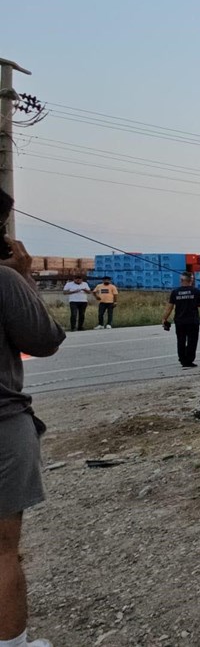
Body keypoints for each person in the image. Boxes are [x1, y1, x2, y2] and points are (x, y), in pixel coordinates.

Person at [1, 187, 66, 647]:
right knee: (3, 550)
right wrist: (21, 278)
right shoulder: (3, 281)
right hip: (2, 426)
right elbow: (44, 340)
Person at [162, 272, 200, 368]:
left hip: (180, 321)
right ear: (192, 280)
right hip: (193, 321)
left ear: (181, 280)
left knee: (180, 341)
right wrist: (195, 303)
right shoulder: (196, 291)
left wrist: (164, 318)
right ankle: (189, 360)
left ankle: (182, 360)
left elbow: (170, 307)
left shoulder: (175, 292)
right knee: (192, 341)